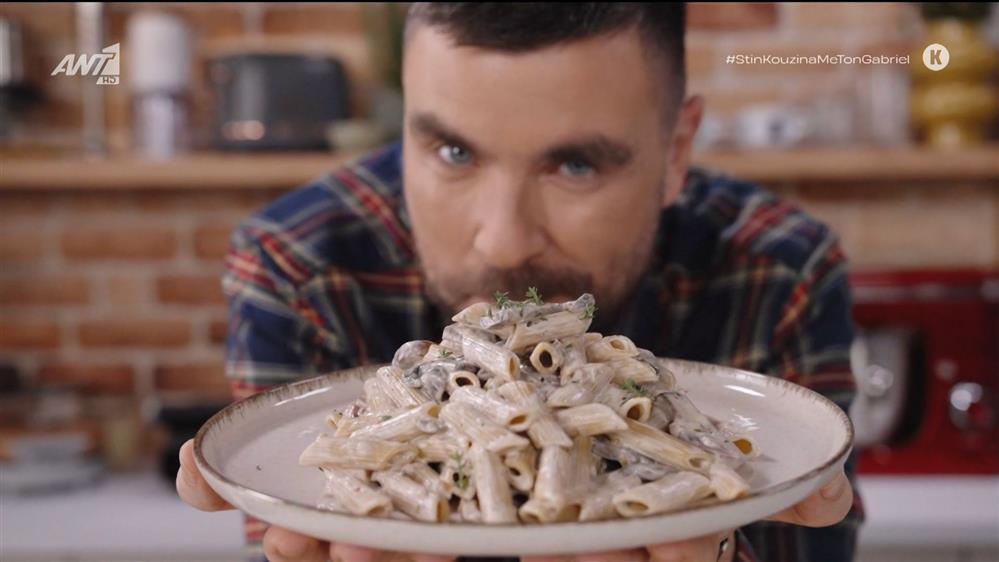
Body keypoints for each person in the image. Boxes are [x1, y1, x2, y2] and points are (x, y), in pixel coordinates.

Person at [177, 4, 863, 561]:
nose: (503, 241)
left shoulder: (780, 268)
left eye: (574, 166)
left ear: (676, 151)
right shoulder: (296, 266)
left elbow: (805, 539)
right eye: (453, 152)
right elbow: (295, 521)